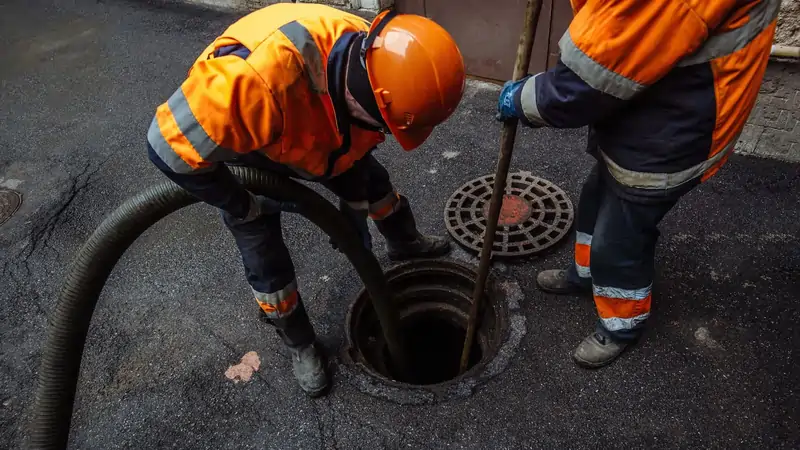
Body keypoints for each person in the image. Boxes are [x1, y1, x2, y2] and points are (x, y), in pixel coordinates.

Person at [146, 4, 465, 396]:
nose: (388, 132)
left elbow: (359, 151)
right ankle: (300, 343)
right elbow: (164, 147)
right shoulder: (248, 84)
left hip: (323, 131)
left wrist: (354, 214)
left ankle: (404, 243)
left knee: (372, 184)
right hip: (258, 145)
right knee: (264, 256)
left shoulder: (381, 58)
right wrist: (239, 202)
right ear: (369, 97)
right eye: (388, 124)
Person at [497, 0, 779, 368]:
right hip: (648, 105)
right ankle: (585, 275)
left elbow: (584, 83)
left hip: (674, 130)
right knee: (595, 197)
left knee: (619, 239)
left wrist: (521, 98)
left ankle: (621, 323)